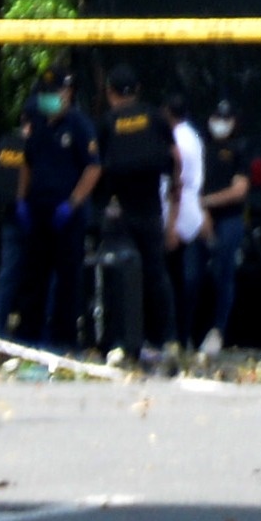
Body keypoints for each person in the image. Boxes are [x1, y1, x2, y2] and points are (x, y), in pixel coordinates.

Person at [0, 70, 98, 350]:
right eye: (47, 93)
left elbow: (94, 168)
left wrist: (72, 203)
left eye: (57, 92)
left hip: (66, 213)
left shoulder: (80, 125)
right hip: (37, 209)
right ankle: (28, 335)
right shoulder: (37, 122)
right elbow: (27, 162)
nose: (52, 98)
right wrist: (21, 200)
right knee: (33, 275)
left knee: (67, 278)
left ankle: (65, 339)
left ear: (68, 93)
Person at [92, 67, 178, 363]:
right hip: (151, 208)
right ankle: (167, 340)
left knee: (119, 273)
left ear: (110, 93)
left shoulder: (106, 123)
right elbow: (175, 158)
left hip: (119, 211)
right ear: (137, 91)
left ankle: (120, 342)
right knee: (155, 275)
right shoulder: (155, 117)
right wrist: (174, 193)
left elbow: (96, 167)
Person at [191, 96, 252, 355]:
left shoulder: (238, 149)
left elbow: (239, 190)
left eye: (226, 120)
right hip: (197, 218)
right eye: (217, 119)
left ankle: (218, 330)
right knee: (190, 276)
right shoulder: (199, 148)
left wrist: (207, 201)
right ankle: (186, 333)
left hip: (228, 219)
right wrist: (200, 208)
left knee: (223, 273)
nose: (221, 125)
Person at [166, 98, 210, 350]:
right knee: (190, 280)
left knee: (177, 281)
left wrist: (171, 224)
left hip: (181, 210)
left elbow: (177, 183)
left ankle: (179, 336)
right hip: (193, 209)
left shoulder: (178, 139)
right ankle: (187, 335)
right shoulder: (193, 136)